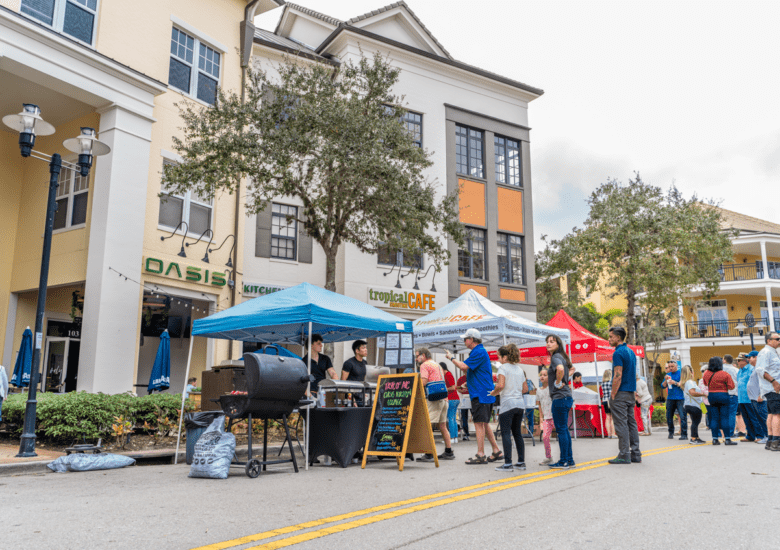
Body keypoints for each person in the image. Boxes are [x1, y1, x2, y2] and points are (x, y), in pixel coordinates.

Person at [447, 329, 502, 465]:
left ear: (471, 339)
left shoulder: (478, 351)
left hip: (481, 394)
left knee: (478, 423)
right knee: (484, 423)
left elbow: (463, 366)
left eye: (466, 339)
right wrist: (468, 383)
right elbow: (475, 371)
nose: (464, 341)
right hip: (484, 392)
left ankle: (480, 454)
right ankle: (496, 450)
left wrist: (451, 357)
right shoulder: (479, 351)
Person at [489, 344, 527, 472]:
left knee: (506, 433)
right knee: (517, 433)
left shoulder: (503, 368)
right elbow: (525, 389)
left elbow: (500, 385)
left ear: (505, 357)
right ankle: (521, 462)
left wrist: (493, 393)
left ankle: (508, 464)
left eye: (499, 357)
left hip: (508, 404)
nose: (498, 359)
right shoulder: (520, 369)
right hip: (520, 404)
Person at [607, 326, 641, 465]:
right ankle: (635, 453)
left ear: (618, 337)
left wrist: (613, 394)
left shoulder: (618, 353)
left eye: (611, 336)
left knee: (621, 424)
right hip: (630, 393)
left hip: (620, 393)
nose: (609, 339)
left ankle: (624, 454)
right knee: (631, 423)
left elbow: (618, 375)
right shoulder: (631, 352)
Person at [416, 349, 455, 462]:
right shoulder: (436, 364)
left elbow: (423, 382)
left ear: (423, 355)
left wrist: (414, 383)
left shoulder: (424, 365)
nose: (416, 358)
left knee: (427, 425)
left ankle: (429, 454)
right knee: (442, 426)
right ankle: (448, 451)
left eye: (417, 356)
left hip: (433, 398)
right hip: (444, 398)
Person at [546, 334, 575, 469]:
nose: (548, 344)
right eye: (547, 341)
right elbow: (570, 369)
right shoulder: (563, 357)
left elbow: (561, 369)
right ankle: (569, 460)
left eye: (552, 341)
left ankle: (564, 460)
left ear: (558, 344)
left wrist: (558, 382)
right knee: (564, 430)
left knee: (562, 430)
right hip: (566, 397)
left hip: (560, 397)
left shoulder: (556, 357)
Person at [754, 332, 780, 451]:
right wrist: (774, 381)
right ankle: (776, 441)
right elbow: (760, 370)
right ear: (769, 340)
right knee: (777, 414)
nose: (779, 340)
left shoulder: (773, 352)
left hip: (772, 388)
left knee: (771, 414)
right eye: (777, 339)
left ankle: (770, 440)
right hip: (773, 388)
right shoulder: (766, 352)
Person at [703, 356, 736, 445]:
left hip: (711, 395)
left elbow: (705, 383)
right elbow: (732, 386)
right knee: (725, 417)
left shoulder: (706, 373)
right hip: (723, 395)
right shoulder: (725, 374)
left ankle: (715, 439)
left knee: (714, 417)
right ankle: (727, 439)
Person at [735, 352, 764, 443]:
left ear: (745, 360)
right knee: (746, 418)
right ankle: (750, 435)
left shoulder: (751, 369)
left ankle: (760, 435)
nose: (737, 362)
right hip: (742, 398)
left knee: (754, 418)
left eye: (739, 360)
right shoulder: (740, 370)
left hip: (750, 398)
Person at [680, 365, 706, 444]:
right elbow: (692, 393)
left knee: (695, 422)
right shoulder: (690, 382)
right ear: (691, 372)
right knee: (695, 422)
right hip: (694, 405)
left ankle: (696, 437)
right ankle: (694, 438)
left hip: (689, 405)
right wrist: (703, 394)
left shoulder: (686, 383)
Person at [746, 350, 768, 444]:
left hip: (760, 399)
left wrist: (761, 395)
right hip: (754, 398)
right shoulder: (754, 368)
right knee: (760, 419)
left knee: (764, 418)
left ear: (756, 357)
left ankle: (769, 436)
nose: (748, 359)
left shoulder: (759, 367)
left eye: (749, 357)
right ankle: (766, 436)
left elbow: (764, 383)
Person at [662, 360, 687, 440]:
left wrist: (675, 383)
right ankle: (670, 432)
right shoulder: (668, 375)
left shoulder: (681, 374)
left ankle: (684, 434)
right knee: (669, 416)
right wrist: (665, 380)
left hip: (680, 398)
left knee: (682, 416)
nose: (670, 368)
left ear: (676, 366)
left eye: (672, 366)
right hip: (670, 398)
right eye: (669, 367)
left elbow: (684, 384)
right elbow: (663, 386)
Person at [537, 368, 554, 465]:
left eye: (545, 375)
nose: (542, 376)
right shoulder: (539, 390)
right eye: (541, 375)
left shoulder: (551, 388)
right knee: (545, 437)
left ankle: (565, 455)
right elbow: (539, 405)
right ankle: (548, 457)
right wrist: (540, 418)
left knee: (561, 436)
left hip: (554, 416)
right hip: (546, 418)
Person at [441, 362, 460, 445]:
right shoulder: (447, 375)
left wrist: (444, 389)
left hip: (452, 398)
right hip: (455, 399)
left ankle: (451, 438)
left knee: (451, 418)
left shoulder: (448, 375)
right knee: (453, 419)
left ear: (443, 368)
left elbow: (453, 387)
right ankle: (455, 438)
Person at [723, 354, 740, 439]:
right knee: (732, 414)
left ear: (724, 360)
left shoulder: (720, 370)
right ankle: (730, 433)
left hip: (722, 394)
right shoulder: (736, 370)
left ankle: (723, 433)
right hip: (733, 394)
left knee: (723, 414)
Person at [600, 369, 615, 438]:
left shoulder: (602, 383)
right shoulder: (611, 382)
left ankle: (609, 434)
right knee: (613, 418)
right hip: (611, 400)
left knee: (607, 417)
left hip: (605, 400)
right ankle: (613, 434)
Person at [457, 373, 470, 441]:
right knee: (464, 417)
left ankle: (468, 434)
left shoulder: (474, 377)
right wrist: (462, 391)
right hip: (465, 398)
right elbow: (458, 388)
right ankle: (467, 434)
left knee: (465, 417)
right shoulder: (461, 378)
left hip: (472, 398)